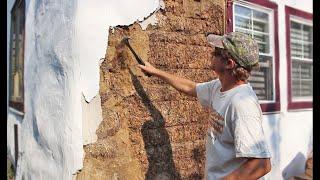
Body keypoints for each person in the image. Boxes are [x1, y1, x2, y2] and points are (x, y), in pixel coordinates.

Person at [137, 32, 272, 180]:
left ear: (229, 64)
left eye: (216, 53)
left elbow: (262, 164)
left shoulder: (242, 105)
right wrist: (155, 71)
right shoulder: (219, 86)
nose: (211, 54)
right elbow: (190, 87)